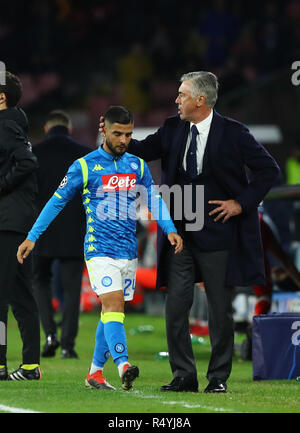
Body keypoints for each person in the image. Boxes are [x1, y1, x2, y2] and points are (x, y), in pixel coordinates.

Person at [100, 71, 280, 393]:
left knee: (219, 310)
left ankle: (218, 379)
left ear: (200, 99)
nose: (176, 100)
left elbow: (269, 170)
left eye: (182, 95)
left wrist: (240, 203)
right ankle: (184, 375)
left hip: (218, 232)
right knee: (176, 306)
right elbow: (140, 149)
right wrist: (117, 139)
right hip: (179, 232)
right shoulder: (172, 127)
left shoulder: (235, 133)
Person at [17, 106, 182, 391]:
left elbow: (154, 200)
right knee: (114, 304)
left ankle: (95, 373)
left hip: (128, 252)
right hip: (99, 250)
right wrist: (32, 236)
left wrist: (170, 230)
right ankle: (123, 365)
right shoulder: (84, 165)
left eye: (128, 134)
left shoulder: (137, 166)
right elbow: (56, 201)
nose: (124, 140)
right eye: (118, 133)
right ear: (103, 129)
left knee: (111, 312)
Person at [32, 110, 90, 359]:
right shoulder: (86, 154)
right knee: (71, 289)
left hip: (41, 229)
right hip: (74, 229)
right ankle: (67, 345)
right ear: (69, 129)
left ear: (46, 129)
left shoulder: (34, 153)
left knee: (39, 282)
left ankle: (49, 334)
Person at [0, 71, 41, 381]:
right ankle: (29, 366)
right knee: (21, 294)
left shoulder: (5, 124)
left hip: (8, 221)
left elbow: (27, 162)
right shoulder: (15, 123)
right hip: (18, 220)